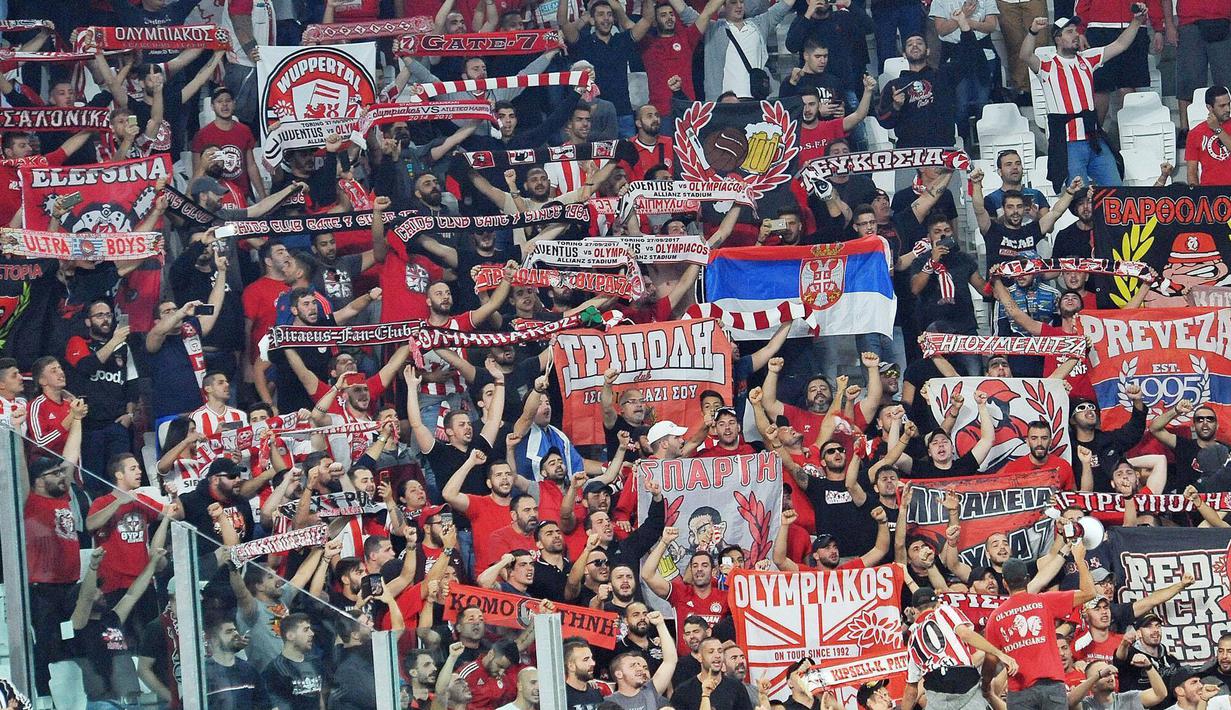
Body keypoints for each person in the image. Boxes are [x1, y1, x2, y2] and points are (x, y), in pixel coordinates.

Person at [1023, 10, 1150, 189]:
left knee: (1115, 189)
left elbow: (1120, 44)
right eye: (1069, 32)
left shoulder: (1087, 59)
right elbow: (1026, 55)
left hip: (1094, 139)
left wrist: (1136, 21)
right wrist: (1033, 31)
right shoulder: (1047, 65)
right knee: (1078, 196)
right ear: (1057, 39)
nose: (1076, 35)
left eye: (1076, 30)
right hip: (1069, 143)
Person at [982, 544, 1096, 710]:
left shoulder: (995, 617)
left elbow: (990, 660)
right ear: (1028, 579)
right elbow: (1089, 593)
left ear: (1005, 583)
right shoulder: (1044, 601)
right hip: (1052, 689)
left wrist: (986, 685)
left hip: (1020, 694)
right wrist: (1079, 559)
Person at [904, 586, 1019, 710]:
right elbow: (965, 634)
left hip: (935, 687)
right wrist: (999, 653)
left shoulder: (912, 639)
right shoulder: (944, 610)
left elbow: (911, 690)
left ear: (915, 610)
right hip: (963, 679)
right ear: (937, 603)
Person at [262, 613, 325, 710]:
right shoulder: (274, 670)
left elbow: (320, 698)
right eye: (306, 630)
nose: (311, 633)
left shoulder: (315, 662)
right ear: (290, 636)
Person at [1185, 86, 1231, 187]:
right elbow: (1192, 171)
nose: (1227, 109)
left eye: (1229, 104)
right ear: (1209, 107)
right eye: (1222, 106)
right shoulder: (1195, 133)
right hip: (1210, 192)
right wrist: (1197, 195)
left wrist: (1217, 129)